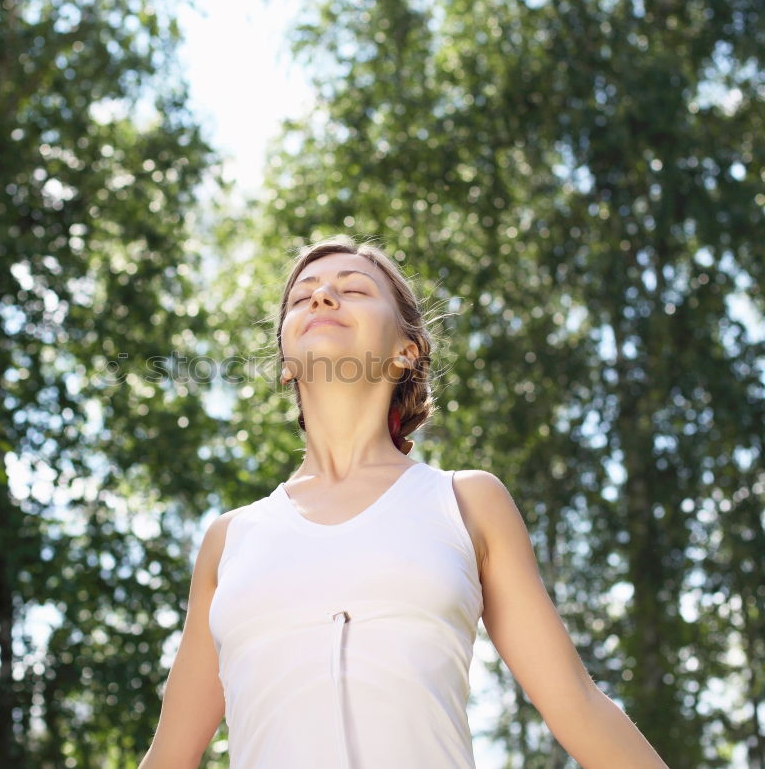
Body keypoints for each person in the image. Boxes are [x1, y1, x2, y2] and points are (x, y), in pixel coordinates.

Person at [139, 238, 669, 768]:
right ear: (284, 363)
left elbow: (578, 706)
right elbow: (169, 758)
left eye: (352, 289)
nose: (322, 298)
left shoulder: (466, 502)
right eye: (303, 297)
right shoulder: (230, 540)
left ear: (406, 350)